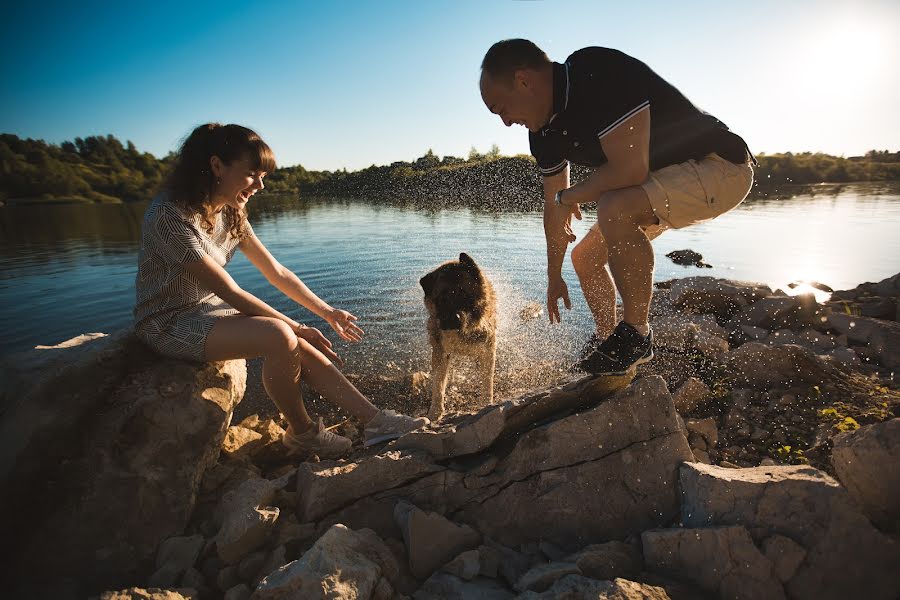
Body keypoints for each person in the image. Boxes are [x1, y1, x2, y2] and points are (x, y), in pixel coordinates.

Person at [133, 123, 428, 457]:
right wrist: (296, 326)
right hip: (167, 322)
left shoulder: (231, 211)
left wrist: (326, 312)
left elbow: (276, 271)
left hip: (206, 309)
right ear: (217, 166)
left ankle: (376, 420)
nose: (260, 185)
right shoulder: (169, 216)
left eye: (263, 176)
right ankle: (302, 434)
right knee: (280, 335)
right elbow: (229, 290)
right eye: (252, 174)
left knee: (293, 339)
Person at [479, 39, 755, 375]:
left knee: (614, 207)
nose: (505, 122)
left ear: (523, 81)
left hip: (720, 167)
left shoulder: (594, 72)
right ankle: (610, 345)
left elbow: (628, 170)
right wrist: (554, 278)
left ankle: (637, 337)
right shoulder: (543, 134)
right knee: (585, 258)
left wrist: (570, 196)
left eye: (500, 108)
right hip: (660, 184)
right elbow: (554, 210)